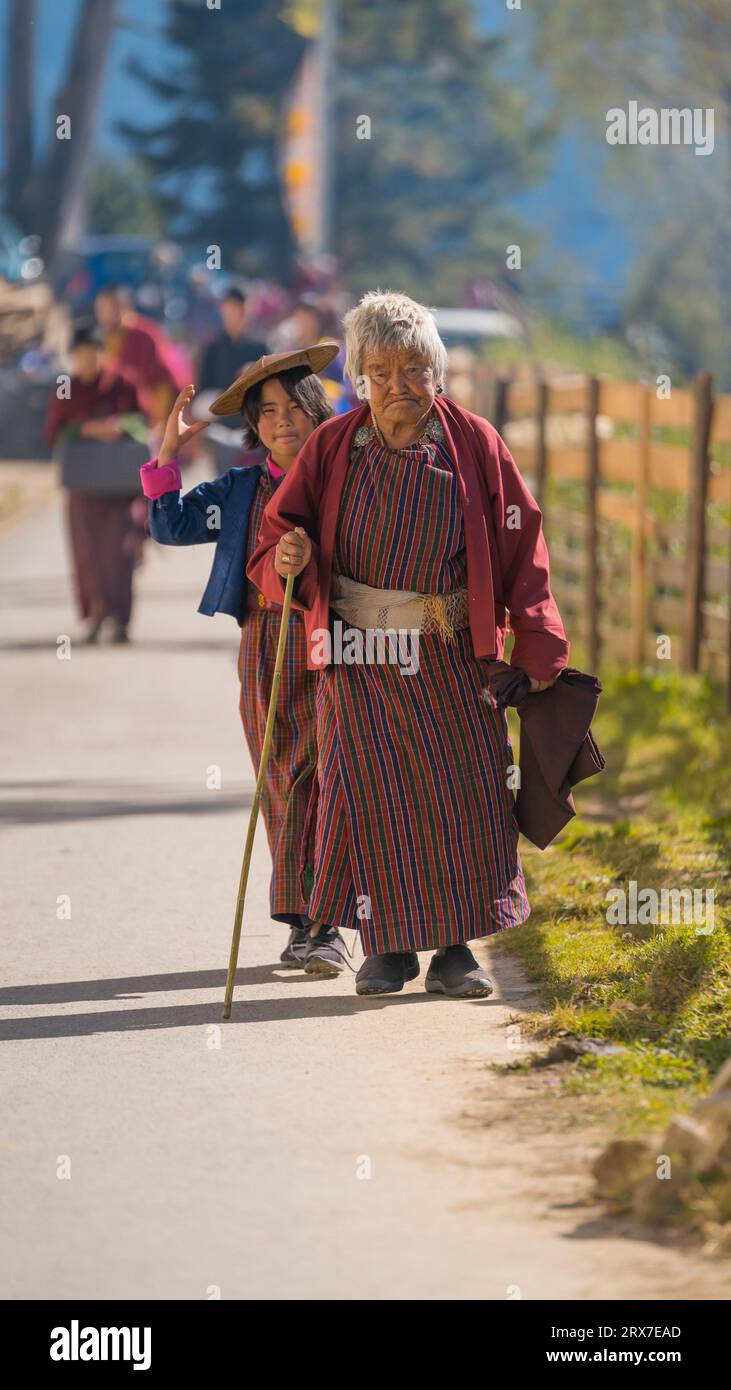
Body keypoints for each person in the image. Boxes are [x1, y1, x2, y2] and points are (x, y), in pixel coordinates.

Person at [248, 291, 570, 998]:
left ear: (438, 371)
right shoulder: (333, 446)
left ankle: (455, 951)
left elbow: (522, 541)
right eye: (381, 370)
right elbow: (277, 532)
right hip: (359, 660)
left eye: (413, 368)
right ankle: (387, 950)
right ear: (360, 375)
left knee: (463, 796)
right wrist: (286, 556)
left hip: (450, 655)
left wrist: (539, 638)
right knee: (369, 800)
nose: (399, 385)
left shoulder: (474, 443)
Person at [139, 344, 349, 974]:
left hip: (336, 644)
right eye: (267, 414)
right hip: (265, 648)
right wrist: (166, 456)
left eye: (293, 408)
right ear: (254, 429)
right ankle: (305, 924)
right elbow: (170, 527)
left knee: (333, 773)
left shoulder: (343, 484)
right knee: (281, 780)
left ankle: (328, 922)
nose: (283, 422)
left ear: (316, 411)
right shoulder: (239, 491)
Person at [47, 325, 146, 644]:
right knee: (85, 552)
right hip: (83, 483)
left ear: (104, 354)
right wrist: (87, 429)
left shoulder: (124, 383)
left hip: (119, 484)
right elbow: (54, 432)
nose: (86, 361)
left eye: (92, 354)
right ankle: (93, 615)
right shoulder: (66, 386)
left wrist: (120, 426)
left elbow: (144, 423)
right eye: (80, 356)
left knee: (119, 551)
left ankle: (119, 620)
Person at [93, 285, 182, 428]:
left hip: (145, 415)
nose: (104, 315)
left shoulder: (144, 335)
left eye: (109, 308)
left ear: (124, 307)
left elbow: (163, 382)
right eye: (100, 309)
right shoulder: (102, 340)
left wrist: (161, 422)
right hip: (114, 416)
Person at [197, 287, 269, 403]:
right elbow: (203, 391)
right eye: (229, 308)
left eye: (238, 307)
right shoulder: (213, 349)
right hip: (220, 412)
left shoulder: (260, 347)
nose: (233, 314)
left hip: (251, 408)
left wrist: (253, 372)